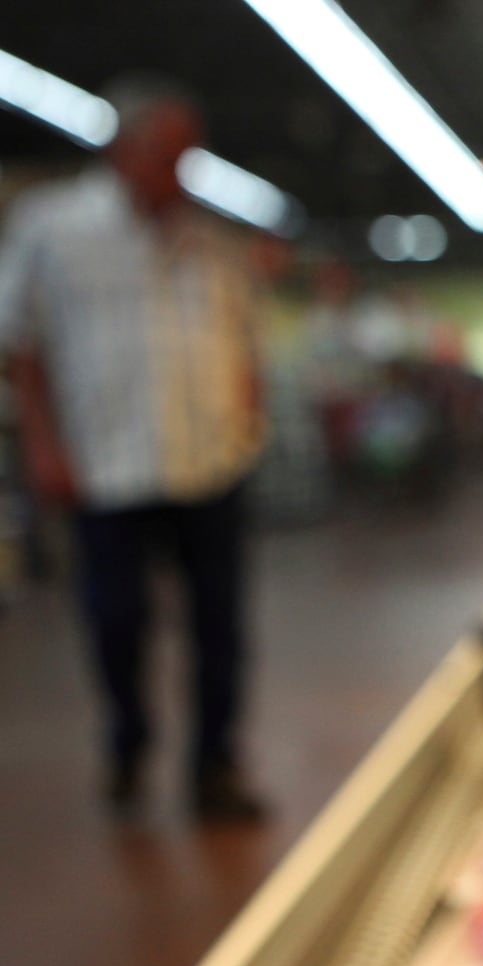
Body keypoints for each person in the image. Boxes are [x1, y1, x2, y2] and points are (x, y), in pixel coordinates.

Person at [0, 78, 269, 821]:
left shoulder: (211, 239)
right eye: (166, 156)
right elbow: (23, 346)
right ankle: (129, 740)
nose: (178, 174)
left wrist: (249, 417)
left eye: (189, 159)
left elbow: (245, 337)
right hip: (107, 464)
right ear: (124, 151)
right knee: (117, 621)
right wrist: (45, 447)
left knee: (221, 625)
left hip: (209, 460)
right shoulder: (52, 227)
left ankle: (214, 763)